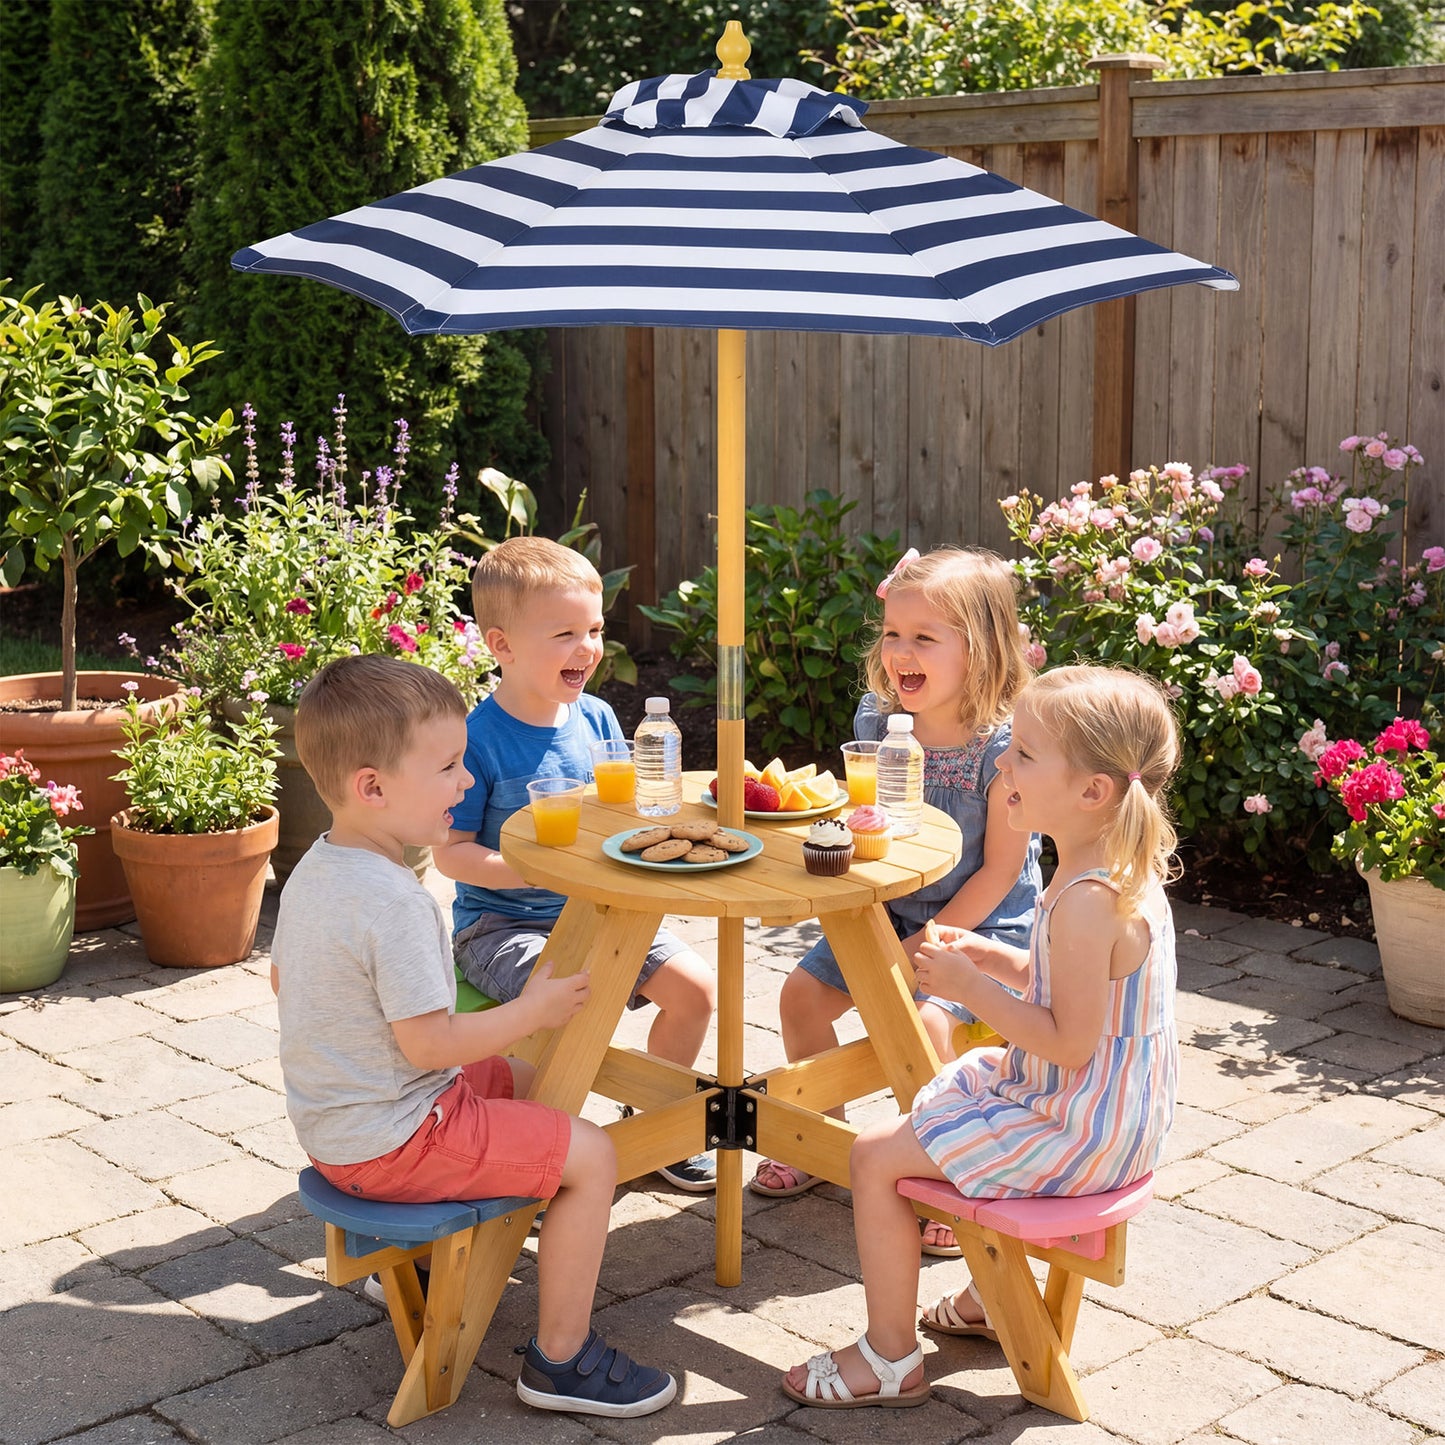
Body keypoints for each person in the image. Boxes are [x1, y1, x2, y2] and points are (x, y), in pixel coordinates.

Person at [270, 655, 676, 1419]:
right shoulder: (397, 902)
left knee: (520, 1080)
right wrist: (535, 1007)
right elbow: (430, 1046)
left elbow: (283, 982)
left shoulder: (314, 870)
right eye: (448, 767)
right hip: (398, 1140)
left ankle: (460, 1243)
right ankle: (562, 1358)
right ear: (373, 787)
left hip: (336, 1126)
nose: (465, 782)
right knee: (593, 1154)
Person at [781, 663, 1182, 1408]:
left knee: (873, 1156)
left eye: (1024, 755)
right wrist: (999, 958)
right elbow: (1071, 987)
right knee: (946, 1095)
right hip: (1110, 1115)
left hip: (1078, 1128)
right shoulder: (1108, 872)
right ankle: (987, 1297)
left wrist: (972, 989)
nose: (1003, 766)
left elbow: (1067, 1042)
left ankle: (889, 1357)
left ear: (1093, 790)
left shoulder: (1087, 900)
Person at [751, 546, 1042, 1262]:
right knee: (799, 998)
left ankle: (943, 1170)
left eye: (923, 637)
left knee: (925, 1026)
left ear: (980, 649)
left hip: (983, 922)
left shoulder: (1003, 747)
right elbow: (865, 822)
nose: (900, 653)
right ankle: (822, 1131)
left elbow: (1001, 873)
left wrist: (930, 943)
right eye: (891, 634)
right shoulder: (877, 721)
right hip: (890, 908)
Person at [433, 535, 718, 1191]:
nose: (587, 647)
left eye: (594, 629)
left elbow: (618, 814)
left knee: (696, 991)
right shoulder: (476, 740)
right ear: (502, 645)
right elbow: (450, 854)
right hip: (503, 927)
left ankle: (655, 1120)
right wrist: (528, 870)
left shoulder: (596, 718)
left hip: (602, 912)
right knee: (575, 1007)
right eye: (564, 633)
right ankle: (533, 1153)